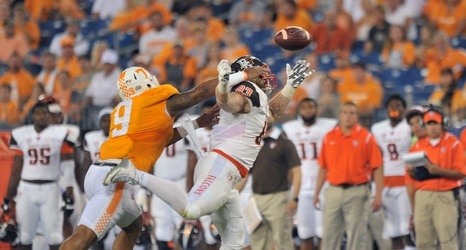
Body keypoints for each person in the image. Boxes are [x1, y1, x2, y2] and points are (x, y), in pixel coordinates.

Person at [104, 56, 314, 249]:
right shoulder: (247, 89)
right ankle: (134, 174)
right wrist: (223, 85)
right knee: (190, 210)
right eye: (259, 69)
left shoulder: (255, 97)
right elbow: (228, 101)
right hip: (221, 167)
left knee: (234, 241)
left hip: (224, 168)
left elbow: (273, 113)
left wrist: (291, 86)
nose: (265, 74)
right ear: (246, 73)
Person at [59, 64, 268, 250]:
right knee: (84, 237)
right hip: (117, 178)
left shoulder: (122, 110)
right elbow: (199, 93)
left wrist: (196, 123)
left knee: (134, 227)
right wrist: (243, 75)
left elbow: (158, 140)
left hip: (98, 173)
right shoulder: (153, 98)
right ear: (148, 82)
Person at [2, 101, 77, 250]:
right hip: (27, 188)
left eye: (45, 113)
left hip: (51, 189)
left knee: (54, 236)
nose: (42, 116)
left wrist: (70, 192)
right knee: (25, 236)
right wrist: (7, 197)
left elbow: (68, 166)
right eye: (38, 113)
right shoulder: (21, 134)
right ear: (32, 116)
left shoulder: (60, 134)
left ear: (50, 116)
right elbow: (17, 169)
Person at [314, 101, 384, 250]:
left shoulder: (366, 137)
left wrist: (378, 195)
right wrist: (316, 192)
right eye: (345, 112)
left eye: (352, 113)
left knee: (357, 236)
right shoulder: (329, 137)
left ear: (357, 116)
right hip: (333, 190)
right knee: (329, 235)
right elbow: (323, 168)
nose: (348, 116)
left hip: (357, 191)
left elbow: (377, 168)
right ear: (339, 115)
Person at [405, 106, 466, 249]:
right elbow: (410, 179)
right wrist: (412, 172)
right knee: (423, 242)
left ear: (442, 124)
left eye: (435, 123)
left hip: (445, 194)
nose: (432, 127)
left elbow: (462, 172)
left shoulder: (453, 143)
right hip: (422, 195)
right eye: (428, 124)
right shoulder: (417, 147)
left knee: (447, 240)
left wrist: (440, 171)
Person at [282, 98, 337, 250]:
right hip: (300, 186)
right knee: (305, 233)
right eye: (304, 107)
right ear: (299, 111)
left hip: (324, 185)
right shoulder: (290, 128)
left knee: (322, 233)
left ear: (316, 109)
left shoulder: (329, 126)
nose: (307, 110)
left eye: (311, 107)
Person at [248, 125, 302, 250]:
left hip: (278, 197)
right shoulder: (253, 144)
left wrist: (295, 198)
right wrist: (231, 195)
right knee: (257, 241)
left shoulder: (285, 143)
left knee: (282, 241)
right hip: (256, 198)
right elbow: (245, 176)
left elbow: (297, 171)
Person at [370, 95, 413, 249]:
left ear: (404, 109)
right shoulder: (377, 128)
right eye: (391, 106)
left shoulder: (410, 128)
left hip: (405, 181)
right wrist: (376, 190)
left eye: (398, 105)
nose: (394, 109)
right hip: (386, 182)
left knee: (406, 228)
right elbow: (375, 158)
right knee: (393, 230)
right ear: (386, 109)